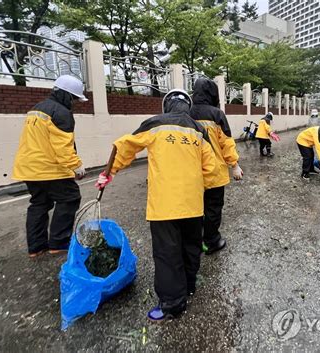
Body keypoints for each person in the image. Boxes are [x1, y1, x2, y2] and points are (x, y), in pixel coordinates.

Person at [96, 89, 217, 322]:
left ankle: (172, 304)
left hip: (164, 205)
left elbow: (124, 146)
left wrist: (108, 173)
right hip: (193, 203)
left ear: (166, 106)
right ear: (187, 107)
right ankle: (189, 286)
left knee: (167, 253)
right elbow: (210, 168)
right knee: (190, 246)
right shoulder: (198, 130)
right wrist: (199, 188)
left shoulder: (154, 124)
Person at [12, 75, 87, 258]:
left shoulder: (37, 108)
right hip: (48, 169)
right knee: (70, 197)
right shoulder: (61, 113)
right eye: (74, 99)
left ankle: (36, 247)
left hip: (28, 168)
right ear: (66, 95)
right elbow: (62, 146)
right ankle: (59, 243)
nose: (74, 103)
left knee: (39, 203)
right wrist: (76, 166)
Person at [189, 78, 243, 255]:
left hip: (192, 175)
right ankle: (211, 241)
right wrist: (234, 165)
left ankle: (194, 241)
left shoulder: (186, 113)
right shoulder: (217, 114)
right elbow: (226, 143)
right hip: (214, 174)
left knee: (195, 208)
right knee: (213, 209)